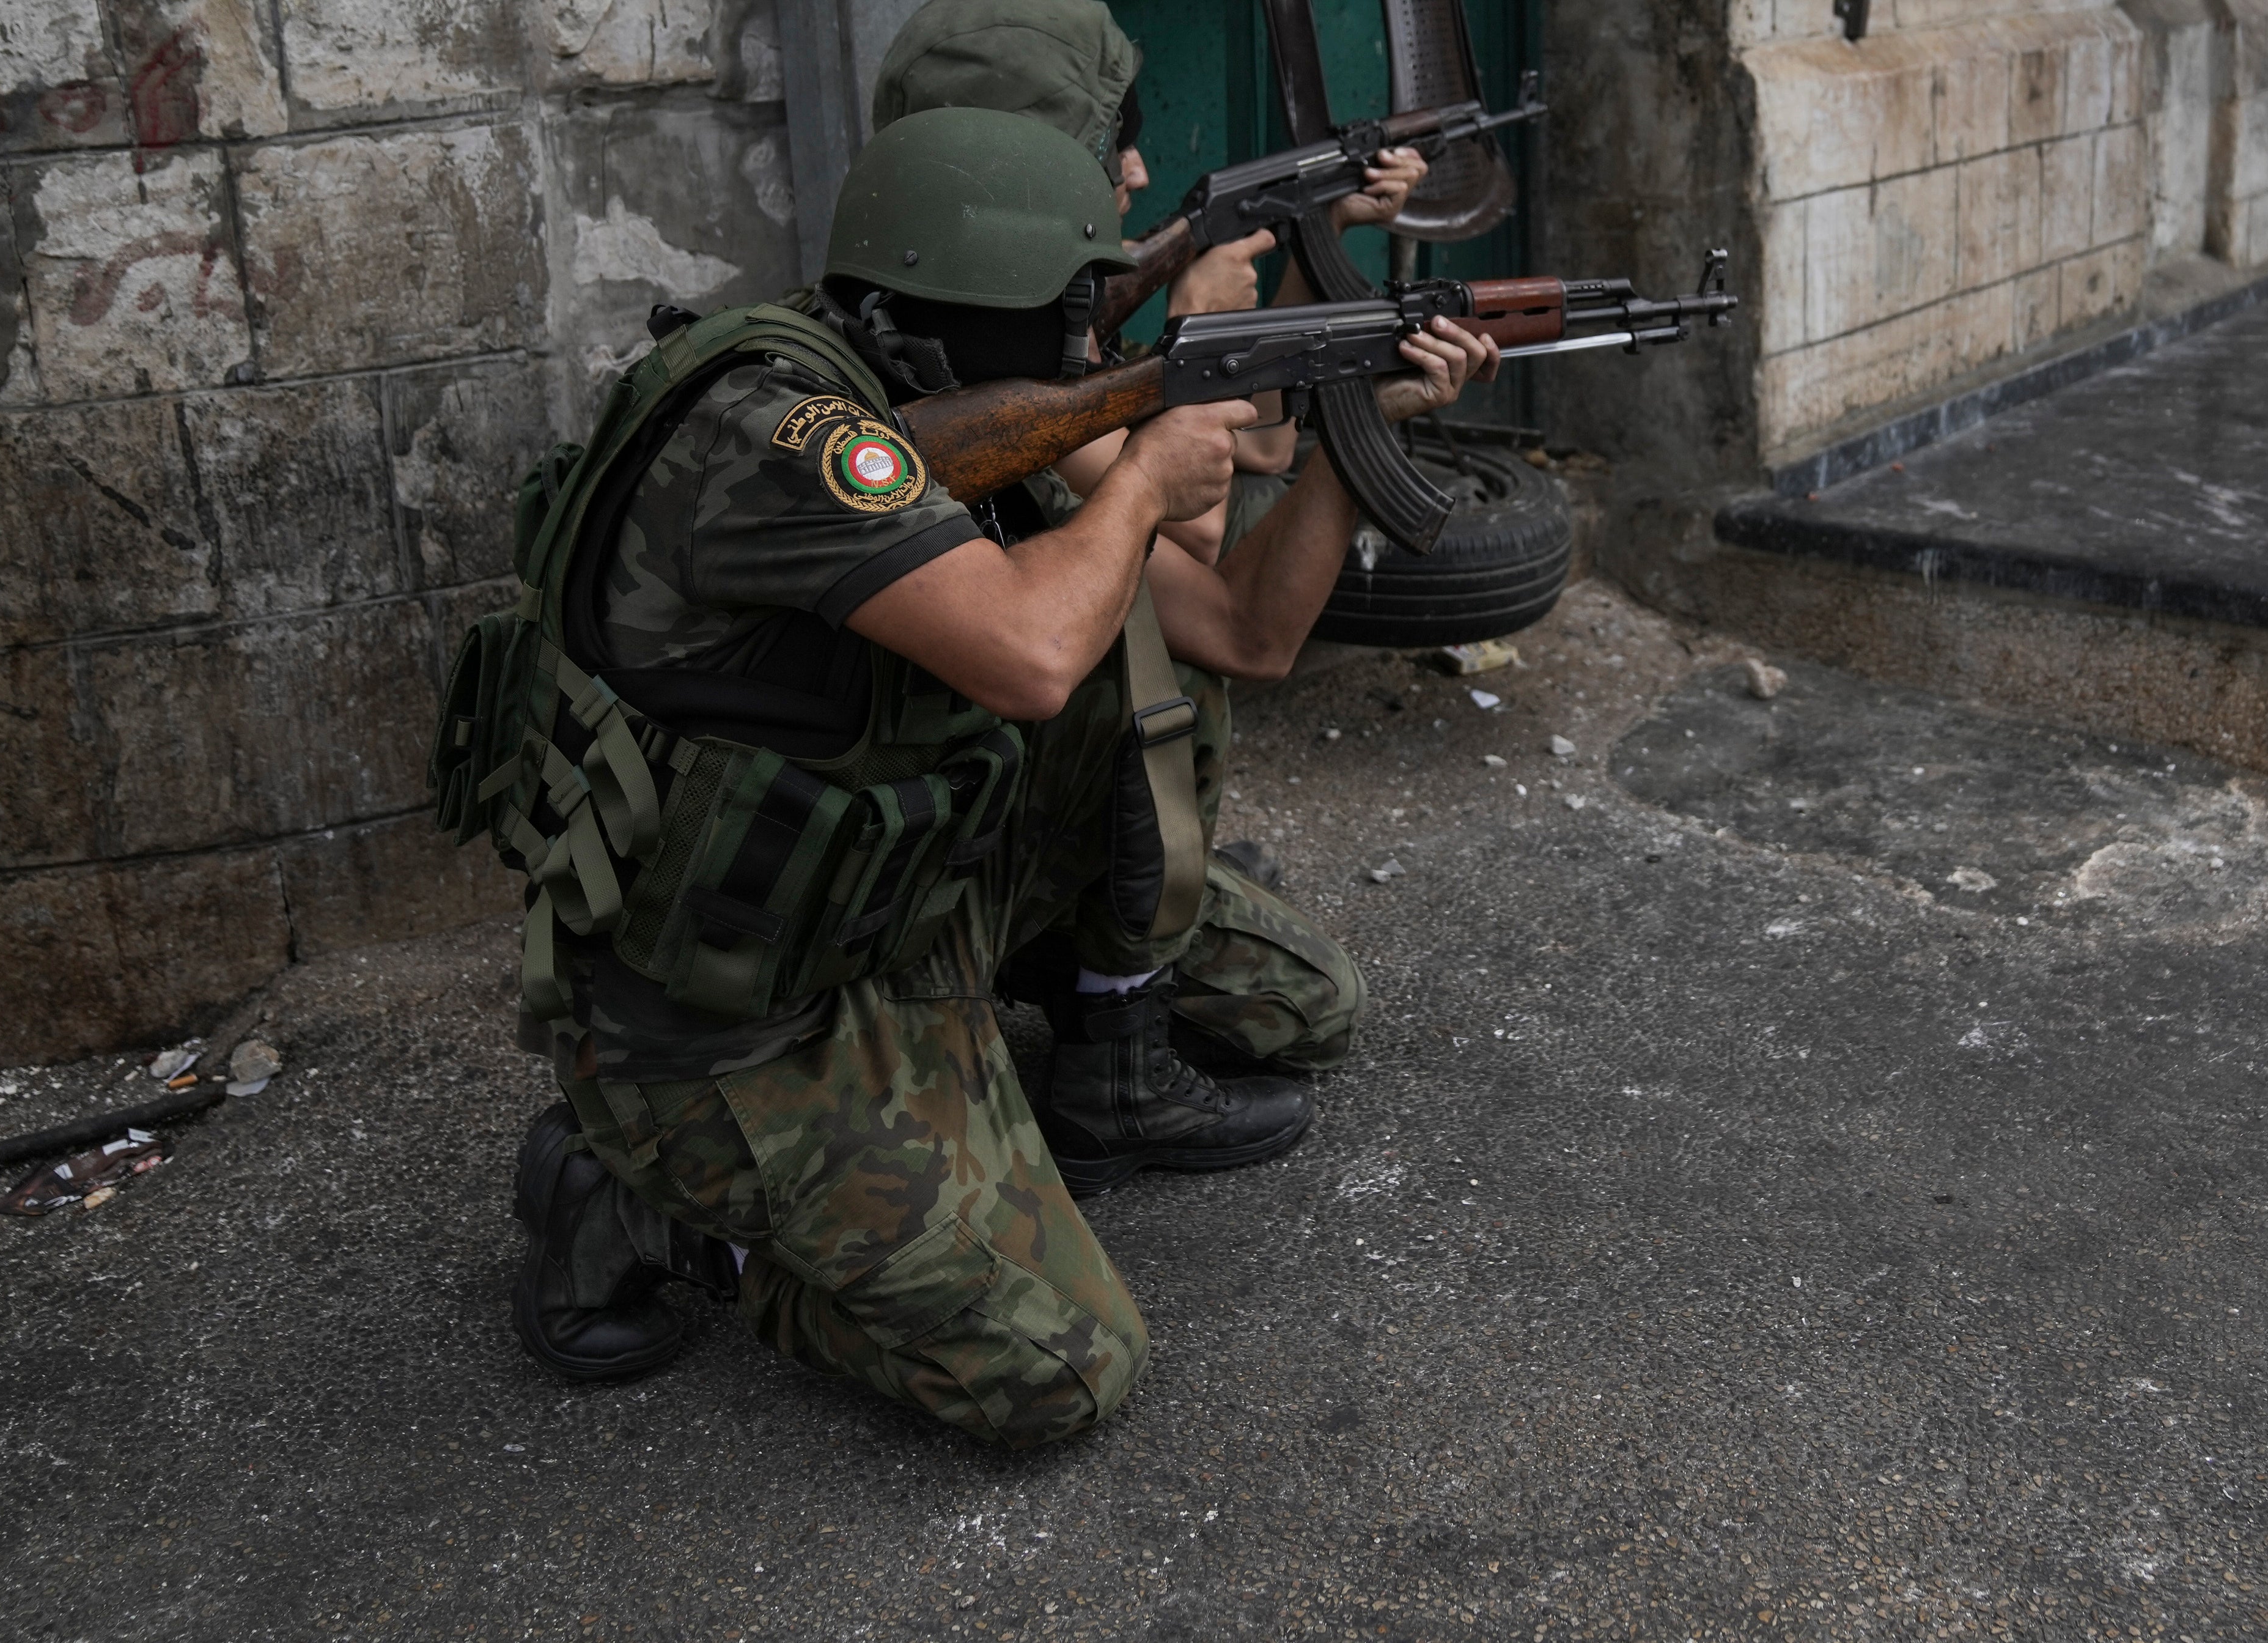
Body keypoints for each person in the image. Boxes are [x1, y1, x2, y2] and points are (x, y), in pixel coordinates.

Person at [453, 101, 1492, 1448]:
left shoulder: (931, 387)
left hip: (893, 907)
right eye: (1070, 317)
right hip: (732, 1012)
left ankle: (1091, 1053)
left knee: (1301, 994)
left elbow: (1241, 630)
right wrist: (1138, 482)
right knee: (1058, 1371)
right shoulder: (786, 436)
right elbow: (1031, 660)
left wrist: (1355, 423)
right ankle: (648, 1207)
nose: (1089, 348)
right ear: (973, 312)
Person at [861, 0, 1433, 1190]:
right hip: (907, 875)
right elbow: (1221, 601)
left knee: (1310, 1005)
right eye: (1107, 149)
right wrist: (1188, 344)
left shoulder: (1003, 335)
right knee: (1145, 653)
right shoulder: (969, 379)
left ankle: (1100, 927)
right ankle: (1102, 1023)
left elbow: (1260, 447)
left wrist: (1304, 324)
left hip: (976, 822)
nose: (1133, 178)